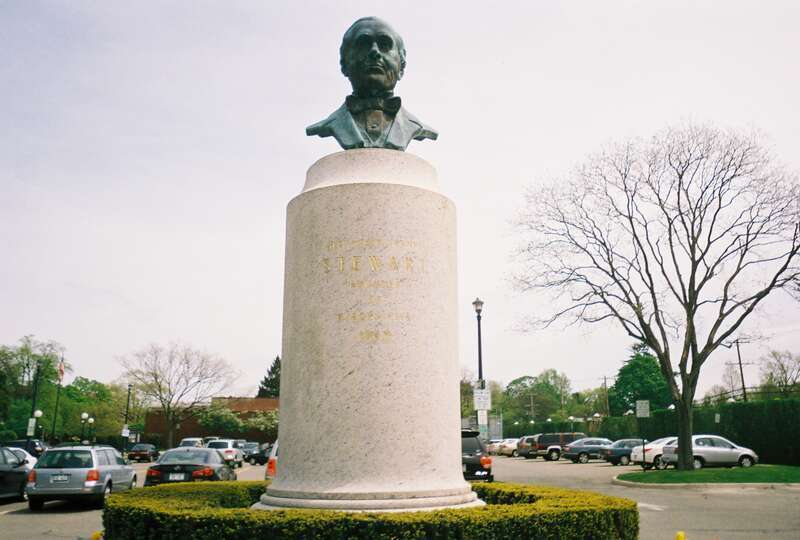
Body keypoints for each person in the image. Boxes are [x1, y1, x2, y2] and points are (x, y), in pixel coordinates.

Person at [306, 17, 438, 151]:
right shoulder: (330, 125)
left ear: (402, 67)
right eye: (363, 45)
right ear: (344, 64)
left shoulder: (416, 127)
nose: (374, 52)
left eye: (385, 45)